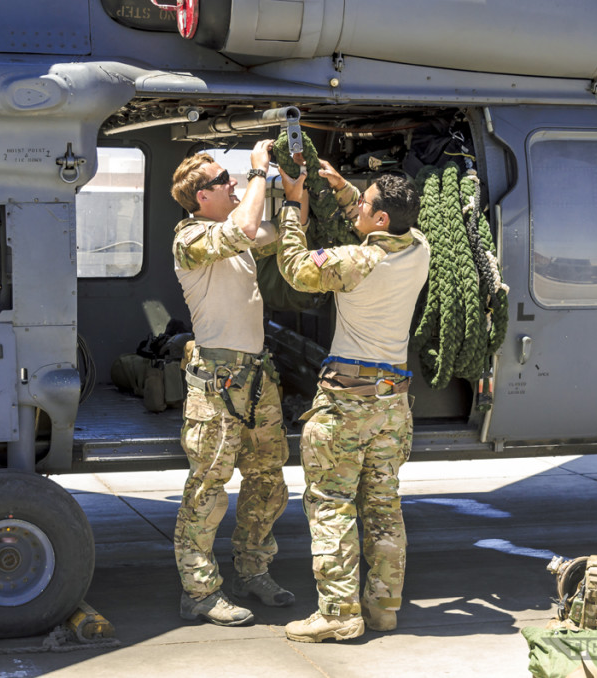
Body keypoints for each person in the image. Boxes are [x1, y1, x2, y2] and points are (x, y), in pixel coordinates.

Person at [276, 159, 430, 643]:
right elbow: (374, 224)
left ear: (380, 220)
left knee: (332, 505)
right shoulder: (420, 247)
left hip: (347, 403)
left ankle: (339, 612)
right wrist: (345, 190)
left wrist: (290, 206)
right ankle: (383, 608)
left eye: (363, 205)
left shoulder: (358, 263)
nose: (356, 208)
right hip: (392, 405)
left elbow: (297, 270)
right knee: (384, 505)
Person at [168, 140, 294, 627]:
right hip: (218, 382)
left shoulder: (232, 233)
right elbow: (246, 227)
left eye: (236, 178)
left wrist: (297, 194)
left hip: (255, 376)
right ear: (202, 196)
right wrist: (260, 174)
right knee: (208, 487)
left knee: (268, 479)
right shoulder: (192, 238)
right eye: (225, 181)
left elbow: (274, 233)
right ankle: (199, 592)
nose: (234, 184)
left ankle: (252, 570)